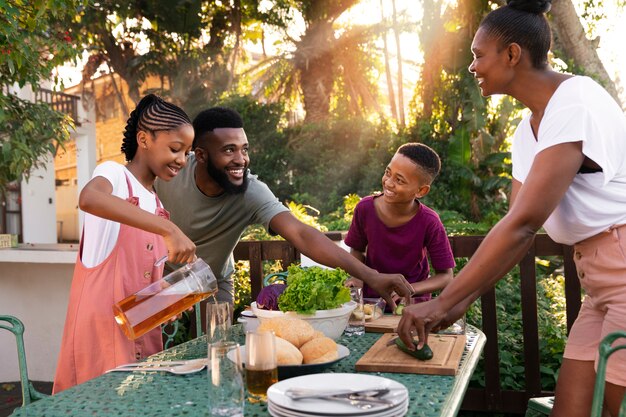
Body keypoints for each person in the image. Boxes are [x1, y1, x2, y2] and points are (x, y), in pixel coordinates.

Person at [397, 1, 626, 416]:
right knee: (571, 409)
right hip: (597, 283)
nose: (472, 67)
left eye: (477, 55)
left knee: (618, 405)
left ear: (512, 54)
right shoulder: (528, 130)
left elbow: (524, 225)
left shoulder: (575, 102)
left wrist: (446, 300)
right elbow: (513, 227)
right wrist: (460, 302)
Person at [155, 107, 414, 309]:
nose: (241, 159)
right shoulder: (169, 172)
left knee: (210, 351)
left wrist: (372, 276)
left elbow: (302, 234)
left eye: (244, 149)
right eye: (229, 150)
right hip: (155, 281)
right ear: (200, 155)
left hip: (211, 283)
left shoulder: (250, 192)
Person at [53, 95, 196, 393]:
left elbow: (139, 284)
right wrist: (169, 229)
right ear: (143, 139)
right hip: (103, 336)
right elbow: (89, 198)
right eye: (175, 149)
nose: (182, 160)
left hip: (140, 335)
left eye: (187, 152)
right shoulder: (114, 175)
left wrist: (164, 300)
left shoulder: (155, 202)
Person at [344, 143, 455, 305]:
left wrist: (410, 290)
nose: (388, 183)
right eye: (387, 173)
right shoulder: (365, 208)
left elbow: (446, 276)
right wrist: (357, 278)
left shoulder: (430, 221)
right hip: (371, 303)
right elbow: (357, 250)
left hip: (412, 305)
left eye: (399, 180)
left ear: (421, 191)